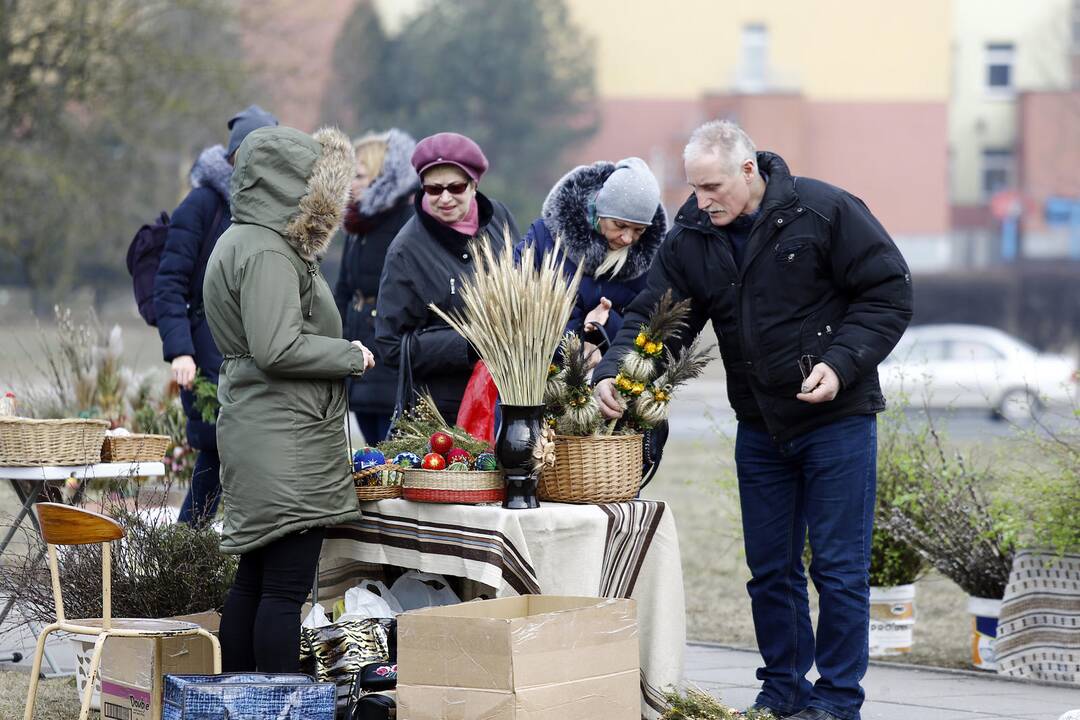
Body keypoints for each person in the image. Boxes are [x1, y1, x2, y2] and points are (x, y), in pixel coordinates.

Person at [593, 120, 913, 720]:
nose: (701, 199)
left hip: (838, 421)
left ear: (748, 170)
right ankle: (784, 690)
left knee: (839, 571)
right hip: (761, 428)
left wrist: (842, 365)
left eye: (712, 186)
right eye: (693, 187)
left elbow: (888, 291)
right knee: (770, 570)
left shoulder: (824, 211)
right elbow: (657, 317)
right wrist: (617, 368)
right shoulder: (690, 236)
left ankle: (838, 701)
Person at [202, 124, 375, 672]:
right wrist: (349, 355)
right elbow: (277, 347)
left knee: (254, 582)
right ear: (292, 184)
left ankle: (237, 702)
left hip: (264, 429)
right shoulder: (269, 252)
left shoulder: (240, 240)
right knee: (284, 590)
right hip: (287, 439)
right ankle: (272, 705)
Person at [154, 104, 278, 527]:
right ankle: (184, 558)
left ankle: (206, 559)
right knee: (215, 458)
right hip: (207, 360)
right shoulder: (202, 205)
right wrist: (181, 353)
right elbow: (168, 283)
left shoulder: (277, 213)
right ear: (235, 156)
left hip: (261, 357)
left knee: (244, 468)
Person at [375, 132, 519, 424]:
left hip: (512, 396)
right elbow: (390, 345)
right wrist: (466, 344)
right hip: (445, 415)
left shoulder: (500, 218)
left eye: (456, 186)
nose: (445, 198)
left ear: (474, 184)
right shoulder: (405, 251)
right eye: (433, 189)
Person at [515, 157, 666, 368]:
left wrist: (606, 324)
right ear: (600, 210)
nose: (627, 238)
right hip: (535, 378)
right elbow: (514, 310)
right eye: (620, 225)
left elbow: (651, 335)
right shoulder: (544, 238)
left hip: (608, 385)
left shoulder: (649, 263)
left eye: (638, 230)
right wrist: (575, 347)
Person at [333, 129, 419, 443]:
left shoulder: (406, 222)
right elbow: (343, 288)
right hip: (358, 347)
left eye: (359, 175)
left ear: (381, 177)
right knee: (370, 443)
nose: (351, 183)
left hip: (386, 352)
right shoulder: (357, 226)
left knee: (390, 447)